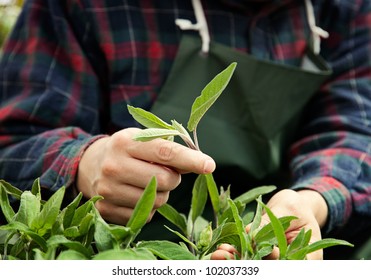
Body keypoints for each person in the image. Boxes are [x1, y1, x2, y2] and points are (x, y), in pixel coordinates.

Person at [0, 0, 370, 260]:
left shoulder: (346, 8)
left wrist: (311, 202)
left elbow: (353, 128)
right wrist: (84, 164)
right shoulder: (86, 6)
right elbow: (13, 143)